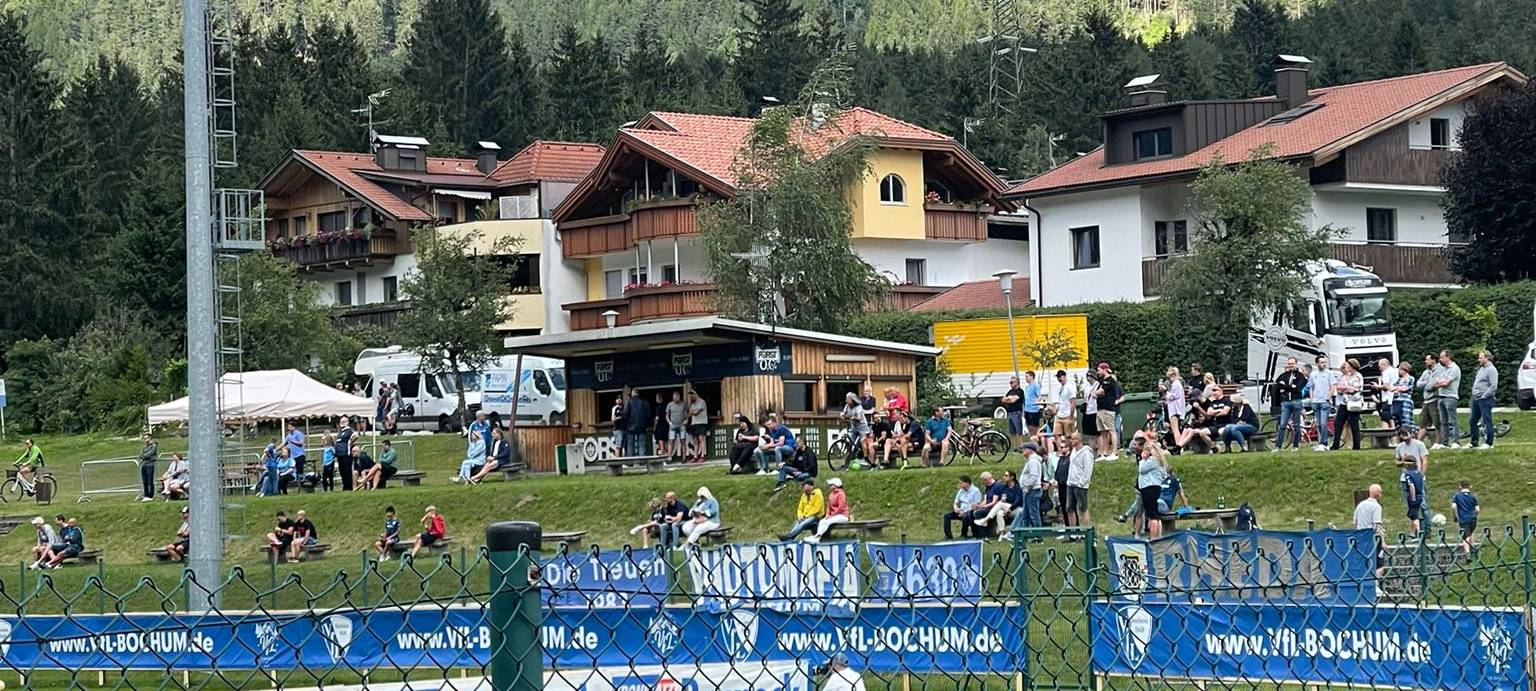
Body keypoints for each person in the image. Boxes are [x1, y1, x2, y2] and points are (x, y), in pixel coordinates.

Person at [975, 470, 1023, 539]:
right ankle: (1002, 533)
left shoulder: (1017, 488)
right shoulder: (1004, 487)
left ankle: (985, 520)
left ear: (1012, 477)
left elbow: (1018, 501)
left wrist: (1009, 509)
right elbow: (1004, 499)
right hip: (1006, 507)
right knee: (999, 513)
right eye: (1004, 475)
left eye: (1006, 475)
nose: (1004, 477)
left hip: (1016, 508)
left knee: (1000, 503)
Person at [1272, 357, 1307, 452]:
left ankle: (1295, 446)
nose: (1291, 365)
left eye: (1292, 363)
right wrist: (1290, 387)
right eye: (1289, 363)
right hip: (1286, 402)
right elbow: (1278, 385)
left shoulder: (1300, 376)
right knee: (1283, 424)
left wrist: (1286, 387)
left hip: (1296, 401)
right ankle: (1278, 446)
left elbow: (1298, 388)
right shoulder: (1283, 375)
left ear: (1296, 364)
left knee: (1297, 425)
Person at [1330, 360, 1366, 451]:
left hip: (1354, 403)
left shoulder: (1358, 376)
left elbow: (1355, 389)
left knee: (1354, 424)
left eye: (1348, 365)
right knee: (1338, 423)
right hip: (1344, 402)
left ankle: (1356, 445)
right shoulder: (1345, 377)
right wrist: (1346, 388)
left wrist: (1345, 388)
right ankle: (1335, 444)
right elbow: (1339, 389)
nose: (1347, 367)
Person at [1137, 443, 1171, 539]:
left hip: (1149, 488)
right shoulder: (1160, 461)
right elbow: (1164, 475)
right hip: (1156, 487)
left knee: (1151, 515)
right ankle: (1158, 536)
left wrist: (1143, 459)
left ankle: (1153, 537)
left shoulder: (1151, 460)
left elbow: (1141, 469)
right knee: (1156, 514)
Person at [1432, 350, 1462, 449]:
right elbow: (1436, 382)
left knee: (1452, 420)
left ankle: (1456, 441)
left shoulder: (1454, 368)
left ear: (1448, 357)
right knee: (1443, 421)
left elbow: (1446, 383)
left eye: (1441, 357)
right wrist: (1440, 382)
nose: (1440, 359)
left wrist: (1440, 383)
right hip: (1441, 396)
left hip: (1450, 397)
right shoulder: (1442, 369)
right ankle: (1445, 443)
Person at [1307, 356, 1339, 451]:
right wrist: (1312, 399)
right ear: (1317, 363)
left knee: (1323, 423)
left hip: (1324, 401)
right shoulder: (1313, 374)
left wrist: (1328, 396)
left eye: (1325, 362)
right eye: (1321, 362)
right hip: (1316, 401)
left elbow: (1333, 385)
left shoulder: (1329, 373)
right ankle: (1322, 442)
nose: (1324, 364)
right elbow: (1311, 387)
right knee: (1319, 424)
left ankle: (1323, 443)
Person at [1354, 484, 1386, 578]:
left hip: (1361, 538)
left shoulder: (1360, 505)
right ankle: (1376, 584)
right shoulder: (1376, 507)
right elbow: (1377, 526)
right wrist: (1383, 542)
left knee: (1364, 562)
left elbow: (1355, 522)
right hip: (1373, 539)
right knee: (1379, 563)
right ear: (1379, 494)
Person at [1066, 433, 1096, 532]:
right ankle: (1073, 531)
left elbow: (1088, 468)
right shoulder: (1073, 451)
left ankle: (1087, 530)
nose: (1071, 441)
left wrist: (1082, 483)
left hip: (1080, 485)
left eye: (1073, 439)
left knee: (1083, 508)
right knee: (1069, 508)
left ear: (1079, 440)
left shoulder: (1086, 452)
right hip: (1071, 483)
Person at [805, 478, 850, 544]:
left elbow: (841, 508)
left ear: (836, 485)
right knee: (822, 521)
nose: (830, 486)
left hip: (843, 515)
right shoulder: (831, 495)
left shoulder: (841, 494)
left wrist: (831, 516)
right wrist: (827, 515)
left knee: (828, 521)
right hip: (833, 516)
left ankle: (818, 537)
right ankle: (817, 536)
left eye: (832, 485)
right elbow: (829, 507)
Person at [1469, 350, 1498, 449]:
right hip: (1476, 399)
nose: (1479, 360)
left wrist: (1484, 395)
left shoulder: (1491, 370)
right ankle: (1474, 442)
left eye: (1481, 358)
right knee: (1473, 420)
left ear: (1487, 358)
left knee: (1487, 420)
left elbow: (1493, 386)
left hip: (1485, 399)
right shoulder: (1481, 369)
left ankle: (1489, 443)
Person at [759, 418, 800, 487]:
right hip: (781, 447)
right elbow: (772, 443)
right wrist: (765, 446)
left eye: (769, 424)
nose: (768, 426)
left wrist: (769, 446)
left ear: (774, 423)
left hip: (789, 447)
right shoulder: (771, 430)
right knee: (763, 450)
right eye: (767, 425)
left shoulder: (781, 428)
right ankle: (764, 469)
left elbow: (781, 443)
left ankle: (779, 469)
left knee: (777, 449)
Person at [1094, 363, 1122, 460]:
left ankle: (1114, 452)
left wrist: (1096, 394)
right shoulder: (1102, 381)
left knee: (1111, 430)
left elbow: (1100, 392)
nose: (1098, 372)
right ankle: (1104, 453)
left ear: (1105, 369)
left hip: (1108, 409)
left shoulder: (1110, 381)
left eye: (1099, 370)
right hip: (1100, 409)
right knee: (1103, 432)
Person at [942, 475, 982, 540]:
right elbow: (955, 502)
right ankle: (948, 536)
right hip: (961, 511)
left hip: (969, 512)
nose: (959, 485)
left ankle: (964, 534)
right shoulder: (961, 491)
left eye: (961, 483)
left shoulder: (976, 491)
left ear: (967, 483)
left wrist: (964, 512)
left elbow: (977, 505)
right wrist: (956, 508)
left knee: (965, 516)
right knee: (947, 516)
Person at [840, 392, 874, 467]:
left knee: (863, 443)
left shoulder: (858, 407)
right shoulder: (847, 406)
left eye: (848, 399)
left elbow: (858, 417)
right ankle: (844, 464)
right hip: (854, 427)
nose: (846, 401)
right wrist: (842, 415)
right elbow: (843, 412)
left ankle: (867, 459)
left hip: (862, 428)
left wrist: (853, 418)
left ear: (852, 400)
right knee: (850, 445)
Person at [1017, 443, 1044, 531]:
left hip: (1032, 491)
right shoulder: (1030, 461)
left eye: (1024, 449)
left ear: (1030, 450)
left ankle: (1038, 535)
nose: (1023, 451)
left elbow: (1034, 476)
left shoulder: (1033, 461)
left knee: (1033, 514)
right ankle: (1024, 533)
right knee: (1025, 514)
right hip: (1028, 491)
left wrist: (1028, 487)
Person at [1161, 368, 1187, 446]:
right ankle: (1179, 445)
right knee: (1176, 429)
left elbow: (1172, 397)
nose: (1169, 380)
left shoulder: (1176, 384)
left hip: (1175, 409)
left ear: (1173, 375)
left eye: (1169, 378)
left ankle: (1178, 445)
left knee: (1175, 429)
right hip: (1177, 408)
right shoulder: (1177, 384)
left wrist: (1165, 391)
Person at [1419, 354, 1442, 444]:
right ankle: (1417, 443)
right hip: (1426, 401)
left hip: (1434, 400)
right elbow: (1418, 384)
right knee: (1423, 423)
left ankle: (1438, 443)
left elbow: (1431, 387)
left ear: (1433, 360)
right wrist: (1428, 382)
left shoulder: (1439, 370)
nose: (1426, 361)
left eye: (1427, 360)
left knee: (1437, 423)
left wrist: (1428, 384)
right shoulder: (1426, 372)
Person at [1452, 480, 1479, 555]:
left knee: (1465, 536)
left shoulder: (1457, 496)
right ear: (1470, 486)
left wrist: (1455, 516)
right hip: (1472, 518)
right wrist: (1475, 515)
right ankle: (1473, 548)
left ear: (1460, 486)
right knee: (1471, 533)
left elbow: (1453, 506)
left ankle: (1467, 552)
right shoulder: (1473, 496)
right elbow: (1477, 509)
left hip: (1463, 519)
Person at [1373, 357, 1399, 430]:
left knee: (1385, 419)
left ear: (1384, 364)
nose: (1379, 368)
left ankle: (1387, 436)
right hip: (1395, 397)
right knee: (1393, 418)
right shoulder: (1396, 370)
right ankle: (1395, 437)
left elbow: (1385, 386)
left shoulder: (1386, 372)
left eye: (1380, 366)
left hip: (1387, 398)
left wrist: (1377, 386)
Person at [622, 390, 651, 457]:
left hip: (630, 427)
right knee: (641, 444)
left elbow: (625, 413)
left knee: (630, 445)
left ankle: (630, 462)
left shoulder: (629, 402)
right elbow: (649, 415)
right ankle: (641, 461)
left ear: (633, 394)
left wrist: (625, 424)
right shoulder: (644, 402)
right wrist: (647, 425)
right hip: (642, 426)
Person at [1392, 361, 1417, 434]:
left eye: (1399, 369)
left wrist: (1397, 388)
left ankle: (1410, 435)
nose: (1398, 371)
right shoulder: (1398, 380)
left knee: (1406, 420)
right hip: (1396, 401)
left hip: (1405, 402)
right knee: (1397, 420)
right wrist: (1398, 388)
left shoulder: (1410, 379)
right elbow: (1391, 388)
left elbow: (1405, 388)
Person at [1051, 370, 1077, 438]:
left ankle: (1070, 448)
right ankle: (1060, 448)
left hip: (1068, 415)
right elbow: (1055, 401)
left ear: (1065, 376)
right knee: (1056, 434)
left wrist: (1071, 416)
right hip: (1059, 415)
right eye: (1058, 377)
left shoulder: (1070, 387)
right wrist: (1055, 410)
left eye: (1060, 377)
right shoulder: (1058, 388)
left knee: (1069, 435)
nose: (1059, 379)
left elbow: (1073, 402)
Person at [686, 390, 709, 463]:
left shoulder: (702, 402)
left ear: (695, 394)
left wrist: (692, 411)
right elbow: (689, 414)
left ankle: (702, 456)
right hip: (694, 423)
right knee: (695, 441)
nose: (691, 397)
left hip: (701, 423)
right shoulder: (692, 405)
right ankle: (695, 456)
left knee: (701, 439)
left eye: (692, 395)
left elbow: (696, 412)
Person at [1002, 375, 1026, 446]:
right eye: (1010, 382)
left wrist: (1009, 399)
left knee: (1018, 430)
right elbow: (1003, 399)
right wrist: (1009, 398)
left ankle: (1021, 446)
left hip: (1017, 413)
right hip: (1010, 413)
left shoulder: (1020, 391)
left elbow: (1013, 401)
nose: (1010, 384)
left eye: (1012, 382)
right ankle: (1015, 447)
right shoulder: (1010, 391)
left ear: (1017, 382)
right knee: (1012, 431)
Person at [334, 417, 356, 491]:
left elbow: (356, 436)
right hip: (339, 454)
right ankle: (345, 486)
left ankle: (348, 487)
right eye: (341, 422)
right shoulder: (340, 432)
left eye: (344, 421)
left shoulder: (349, 430)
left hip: (346, 453)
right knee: (342, 471)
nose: (342, 423)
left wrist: (350, 444)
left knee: (347, 471)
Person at [665, 391, 688, 461]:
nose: (676, 399)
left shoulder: (683, 404)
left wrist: (686, 420)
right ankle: (669, 457)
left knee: (683, 441)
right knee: (671, 441)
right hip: (673, 425)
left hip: (681, 425)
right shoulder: (670, 405)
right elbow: (667, 415)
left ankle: (684, 458)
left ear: (679, 397)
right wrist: (669, 422)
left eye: (677, 397)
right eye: (675, 397)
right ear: (673, 397)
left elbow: (686, 414)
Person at [1021, 371, 1043, 437]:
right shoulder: (1027, 387)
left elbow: (1040, 395)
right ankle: (1032, 437)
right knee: (1029, 425)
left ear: (1031, 377)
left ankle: (1036, 438)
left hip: (1034, 410)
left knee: (1034, 427)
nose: (1026, 378)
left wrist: (1036, 402)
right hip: (1027, 409)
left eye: (1027, 376)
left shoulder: (1036, 385)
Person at [138, 434, 159, 502]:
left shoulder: (153, 446)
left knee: (150, 481)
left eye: (146, 438)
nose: (145, 440)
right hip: (144, 465)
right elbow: (140, 454)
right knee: (145, 481)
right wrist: (143, 456)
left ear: (150, 438)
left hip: (150, 465)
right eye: (144, 438)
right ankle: (146, 495)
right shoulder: (144, 447)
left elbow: (150, 454)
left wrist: (144, 456)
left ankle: (150, 495)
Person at [651, 392, 669, 459]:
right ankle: (668, 455)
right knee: (666, 441)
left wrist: (654, 427)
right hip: (666, 426)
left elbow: (657, 418)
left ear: (659, 398)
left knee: (661, 441)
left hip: (660, 427)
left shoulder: (659, 407)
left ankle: (663, 456)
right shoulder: (667, 406)